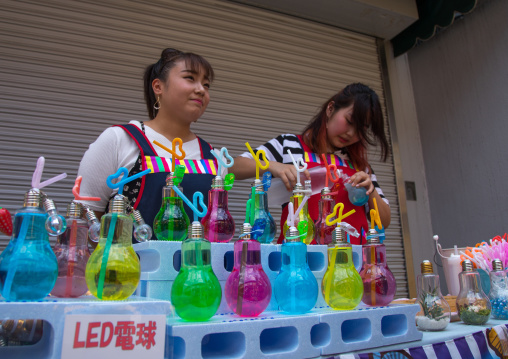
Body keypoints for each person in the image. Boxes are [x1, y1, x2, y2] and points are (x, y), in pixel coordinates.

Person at [77, 48, 223, 239]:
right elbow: (84, 226)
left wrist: (271, 166)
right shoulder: (119, 139)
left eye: (206, 84)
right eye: (190, 78)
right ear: (158, 87)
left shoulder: (214, 157)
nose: (201, 90)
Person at [231, 83, 391, 244]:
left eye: (361, 129)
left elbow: (384, 221)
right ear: (330, 109)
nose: (351, 133)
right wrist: (273, 166)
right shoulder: (289, 145)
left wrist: (371, 191)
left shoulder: (359, 165)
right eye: (349, 121)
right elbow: (232, 167)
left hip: (352, 262)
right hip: (299, 259)